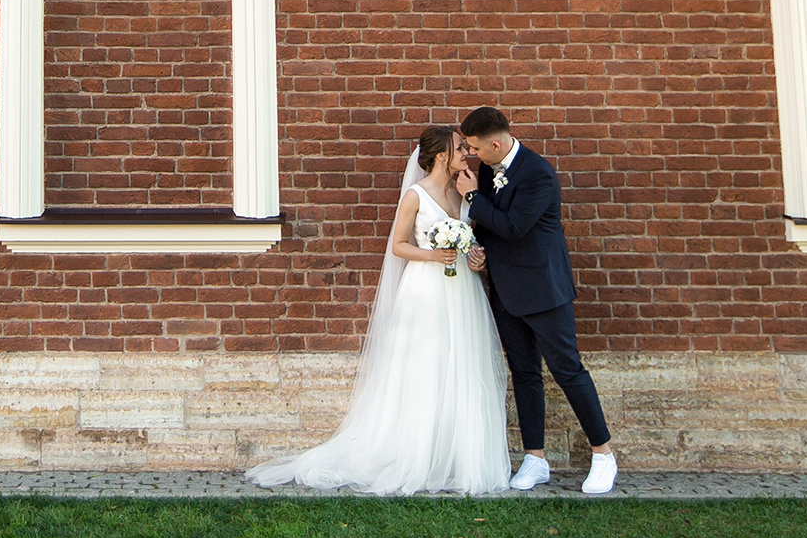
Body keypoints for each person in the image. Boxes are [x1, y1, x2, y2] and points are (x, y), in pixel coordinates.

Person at [246, 126, 511, 494]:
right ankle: (416, 454)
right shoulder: (416, 196)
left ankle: (453, 456)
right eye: (458, 148)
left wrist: (475, 254)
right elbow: (399, 246)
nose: (465, 153)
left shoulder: (466, 193)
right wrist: (433, 255)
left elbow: (470, 241)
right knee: (426, 366)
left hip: (462, 291)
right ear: (439, 156)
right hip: (427, 291)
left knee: (460, 365)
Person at [456, 104, 619, 495]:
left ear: (495, 144)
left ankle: (603, 455)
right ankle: (535, 458)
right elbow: (491, 227)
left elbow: (513, 226)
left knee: (567, 370)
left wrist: (474, 198)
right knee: (524, 373)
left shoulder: (538, 173)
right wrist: (478, 248)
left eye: (476, 149)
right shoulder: (486, 167)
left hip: (545, 290)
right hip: (506, 290)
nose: (472, 155)